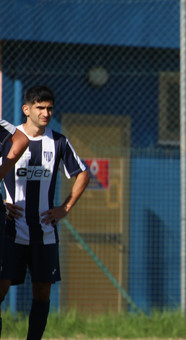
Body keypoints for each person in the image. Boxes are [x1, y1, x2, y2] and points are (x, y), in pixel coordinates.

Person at [0, 85, 90, 340]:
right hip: (9, 229)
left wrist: (65, 207)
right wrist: (2, 203)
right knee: (1, 288)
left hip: (44, 232)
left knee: (42, 292)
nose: (46, 112)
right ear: (26, 109)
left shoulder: (59, 142)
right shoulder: (7, 138)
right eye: (40, 107)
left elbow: (83, 174)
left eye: (50, 108)